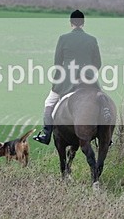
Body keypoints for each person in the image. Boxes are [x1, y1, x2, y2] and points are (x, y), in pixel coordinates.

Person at [33, 9, 102, 145]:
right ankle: (106, 136)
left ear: (71, 23)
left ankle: (46, 134)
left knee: (49, 103)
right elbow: (98, 63)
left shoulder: (63, 38)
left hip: (66, 79)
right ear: (83, 23)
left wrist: (57, 81)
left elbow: (58, 63)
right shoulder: (92, 40)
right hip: (88, 80)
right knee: (102, 102)